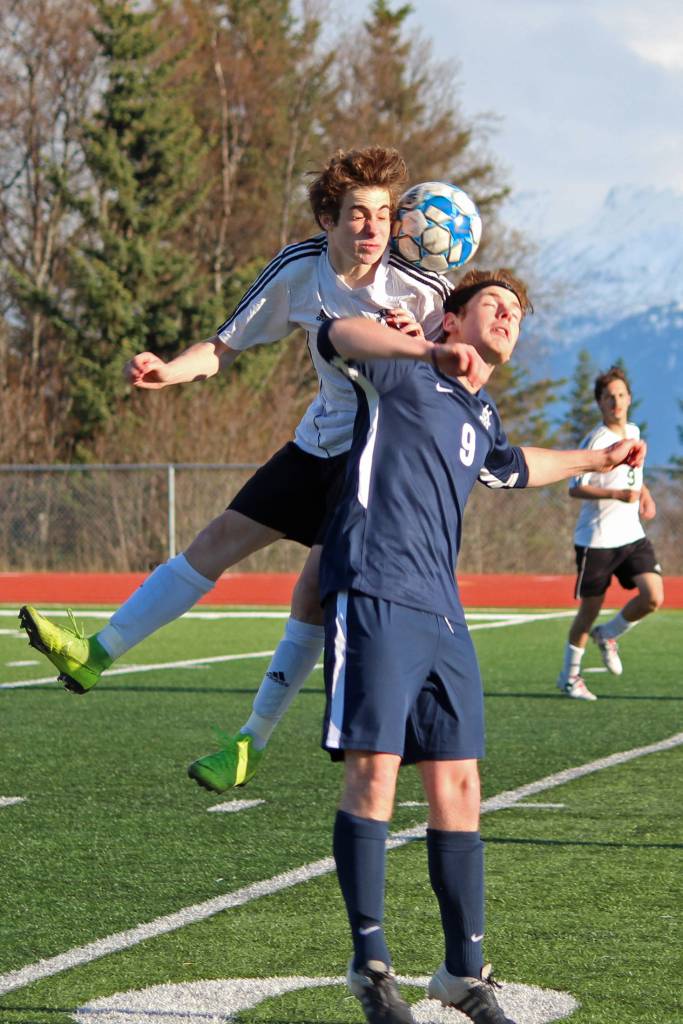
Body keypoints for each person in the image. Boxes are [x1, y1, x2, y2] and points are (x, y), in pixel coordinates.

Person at [18, 146, 451, 791]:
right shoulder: (301, 270)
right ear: (327, 219)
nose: (372, 229)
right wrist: (170, 369)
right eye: (358, 214)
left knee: (309, 592)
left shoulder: (421, 288)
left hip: (375, 463)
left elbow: (453, 378)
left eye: (384, 215)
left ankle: (249, 741)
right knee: (215, 541)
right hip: (318, 443)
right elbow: (221, 347)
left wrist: (420, 343)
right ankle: (93, 654)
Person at [314, 271, 646, 1024]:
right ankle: (370, 965)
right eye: (492, 306)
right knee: (374, 770)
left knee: (460, 785)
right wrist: (423, 352)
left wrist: (597, 461)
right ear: (452, 319)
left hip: (441, 607)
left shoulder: (479, 407)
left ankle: (461, 973)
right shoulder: (398, 361)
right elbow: (333, 334)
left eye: (517, 313)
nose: (508, 317)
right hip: (373, 583)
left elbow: (511, 466)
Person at [556, 366, 663, 700]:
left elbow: (633, 474)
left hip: (631, 536)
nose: (615, 401)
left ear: (629, 398)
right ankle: (569, 677)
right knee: (588, 612)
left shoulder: (633, 430)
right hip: (597, 540)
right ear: (599, 403)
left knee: (654, 597)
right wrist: (615, 495)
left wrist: (644, 494)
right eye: (608, 397)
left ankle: (610, 634)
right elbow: (576, 488)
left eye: (620, 395)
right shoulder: (598, 440)